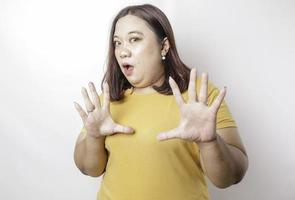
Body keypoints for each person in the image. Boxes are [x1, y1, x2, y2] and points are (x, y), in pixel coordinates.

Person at [73, 4, 248, 200]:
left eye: (134, 39)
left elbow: (233, 176)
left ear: (163, 46)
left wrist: (209, 142)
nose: (122, 51)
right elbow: (89, 169)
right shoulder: (108, 98)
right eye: (117, 43)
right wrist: (93, 137)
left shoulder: (198, 94)